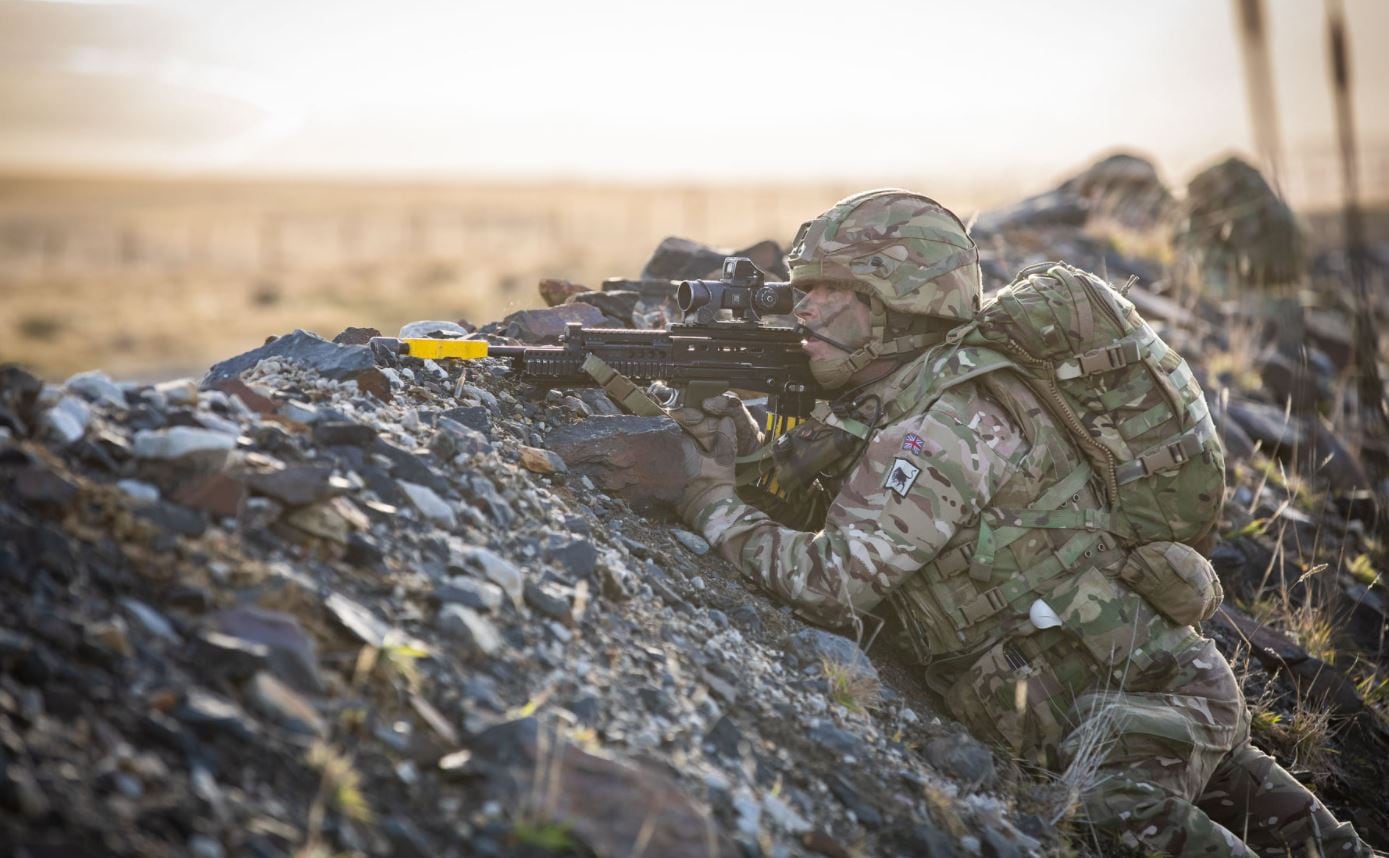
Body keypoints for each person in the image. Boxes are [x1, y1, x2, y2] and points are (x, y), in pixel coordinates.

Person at [671, 190, 1374, 857]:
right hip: (1126, 697)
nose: (803, 308)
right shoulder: (903, 396)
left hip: (1144, 707)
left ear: (902, 300)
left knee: (1106, 818)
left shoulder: (945, 421)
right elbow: (836, 506)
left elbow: (832, 582)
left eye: (830, 290)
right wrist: (736, 449)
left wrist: (701, 500)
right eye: (802, 288)